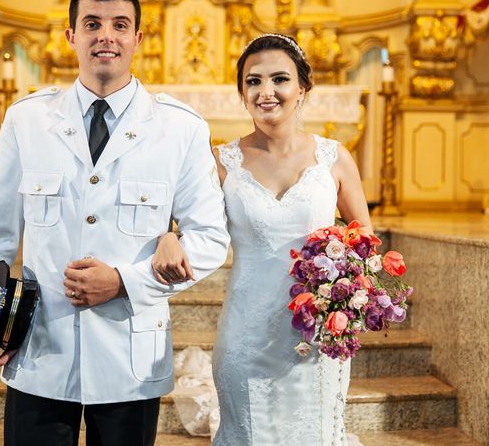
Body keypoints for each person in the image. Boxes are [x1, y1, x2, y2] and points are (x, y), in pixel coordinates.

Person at [0, 0, 229, 446]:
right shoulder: (28, 120)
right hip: (40, 347)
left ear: (138, 38)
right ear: (71, 36)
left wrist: (124, 280)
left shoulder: (180, 129)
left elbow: (210, 240)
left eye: (120, 24)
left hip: (129, 355)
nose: (107, 35)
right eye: (93, 23)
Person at [152, 34, 372, 445]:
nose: (265, 92)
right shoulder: (220, 162)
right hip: (247, 332)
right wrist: (168, 234)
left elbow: (365, 241)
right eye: (253, 82)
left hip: (316, 333)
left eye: (279, 79)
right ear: (241, 93)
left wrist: (346, 291)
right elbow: (179, 219)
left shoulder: (335, 158)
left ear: (302, 88)